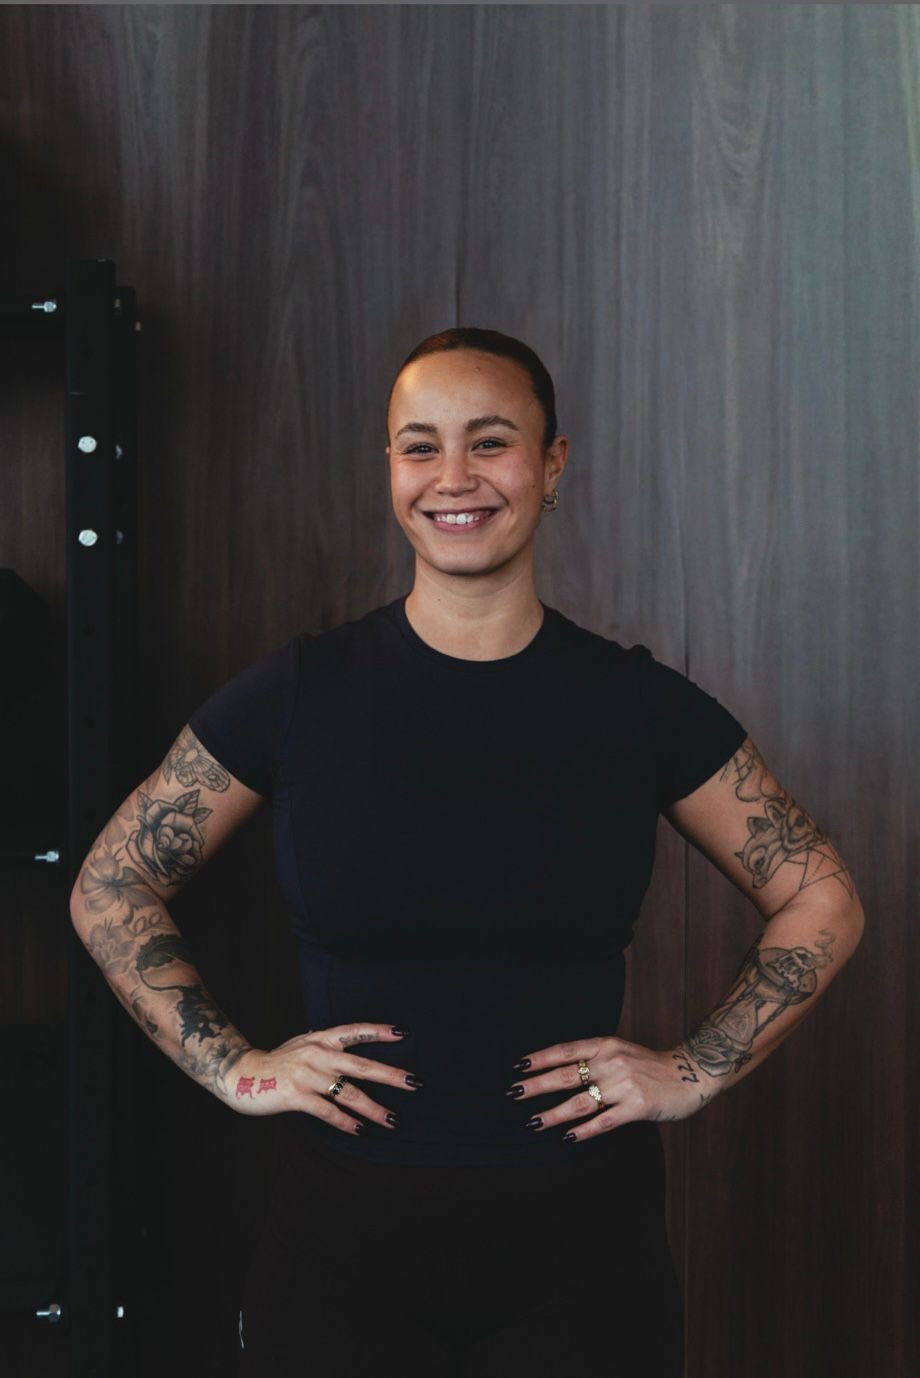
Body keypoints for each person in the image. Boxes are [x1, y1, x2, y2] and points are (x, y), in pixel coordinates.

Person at [69, 327, 865, 1376]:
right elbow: (112, 880)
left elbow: (821, 896)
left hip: (582, 1254)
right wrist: (236, 1068)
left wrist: (694, 1069)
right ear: (390, 470)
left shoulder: (633, 704)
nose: (452, 477)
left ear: (551, 464)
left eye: (489, 442)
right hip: (339, 1250)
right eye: (419, 446)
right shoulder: (303, 691)